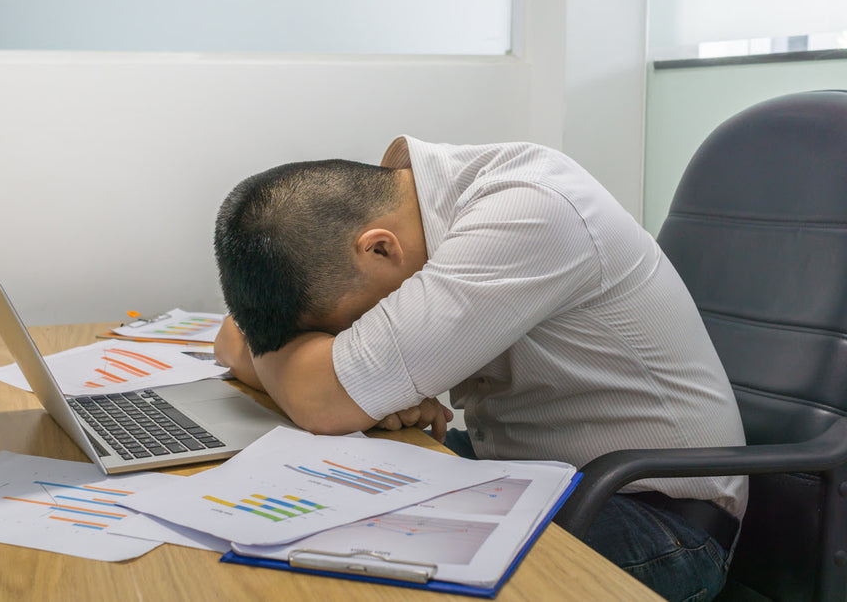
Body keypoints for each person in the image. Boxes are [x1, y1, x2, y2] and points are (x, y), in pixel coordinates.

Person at [212, 135, 747, 601]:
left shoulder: (529, 212)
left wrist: (332, 379)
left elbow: (322, 398)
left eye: (346, 327)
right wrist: (324, 372)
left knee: (360, 570)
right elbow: (233, 335)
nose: (350, 339)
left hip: (653, 518)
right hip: (535, 473)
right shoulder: (419, 202)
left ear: (379, 248)